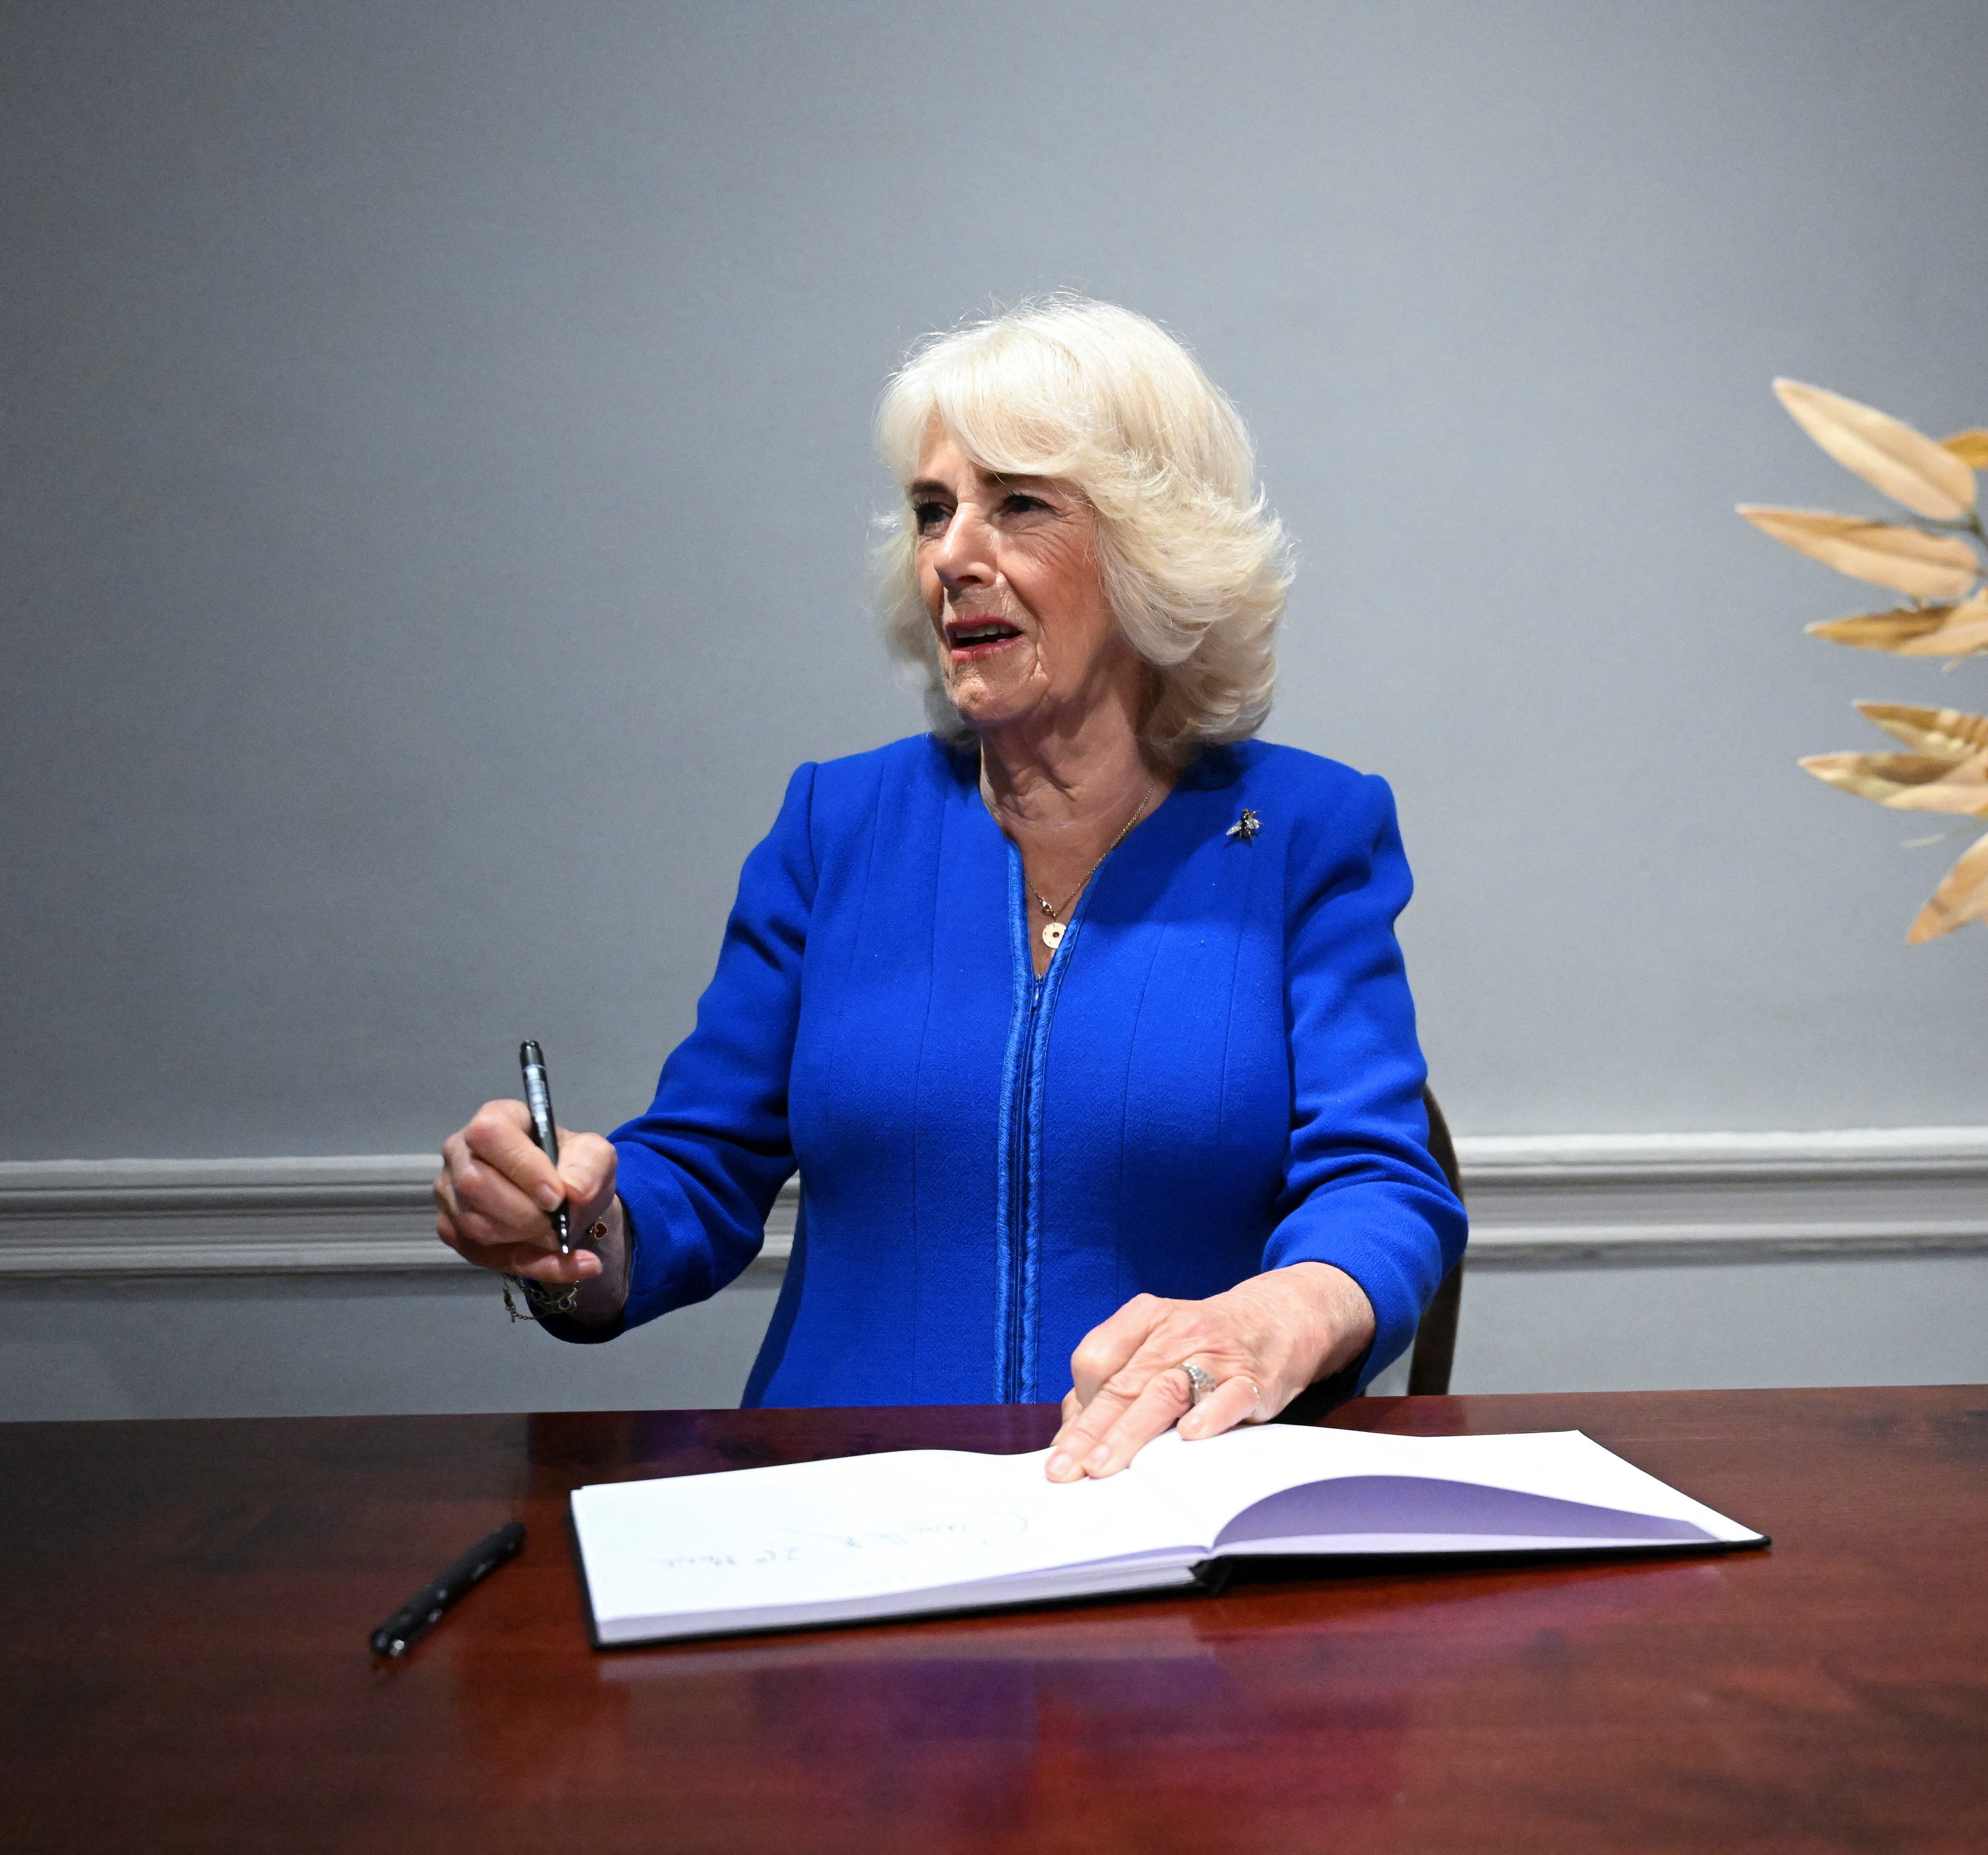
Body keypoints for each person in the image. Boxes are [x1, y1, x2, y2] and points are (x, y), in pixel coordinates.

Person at [433, 297, 1463, 1482]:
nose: (951, 555)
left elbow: (1377, 1182)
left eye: (1016, 503)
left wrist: (1276, 1315)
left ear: (1150, 545)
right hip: (841, 1513)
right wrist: (573, 1221)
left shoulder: (1304, 832)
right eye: (932, 512)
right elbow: (696, 1172)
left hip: (1156, 1506)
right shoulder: (838, 824)